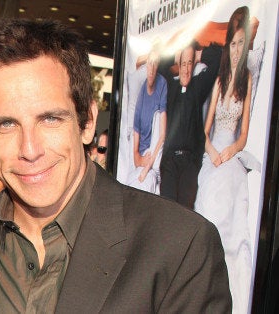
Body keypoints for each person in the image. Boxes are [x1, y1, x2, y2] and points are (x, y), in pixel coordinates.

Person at [0, 18, 231, 313]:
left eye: (50, 119)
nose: (30, 150)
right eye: (7, 124)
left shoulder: (179, 247)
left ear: (87, 121)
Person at [195, 6, 253, 313]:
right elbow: (204, 132)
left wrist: (231, 151)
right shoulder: (219, 83)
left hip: (231, 156)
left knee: (232, 234)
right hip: (214, 154)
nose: (236, 49)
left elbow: (243, 134)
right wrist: (214, 152)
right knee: (208, 221)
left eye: (241, 44)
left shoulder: (247, 81)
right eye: (233, 43)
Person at [158, 38, 222, 208]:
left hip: (190, 162)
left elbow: (218, 57)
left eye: (190, 63)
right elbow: (161, 63)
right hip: (170, 161)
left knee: (185, 213)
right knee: (167, 210)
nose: (186, 69)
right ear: (179, 64)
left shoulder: (198, 86)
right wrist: (178, 54)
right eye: (183, 64)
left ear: (194, 65)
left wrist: (197, 54)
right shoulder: (171, 87)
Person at [127, 48, 167, 193]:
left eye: (155, 64)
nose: (152, 69)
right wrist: (139, 161)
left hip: (152, 164)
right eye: (150, 64)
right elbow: (135, 151)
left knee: (145, 186)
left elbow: (162, 135)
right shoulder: (141, 92)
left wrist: (147, 167)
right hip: (140, 164)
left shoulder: (162, 84)